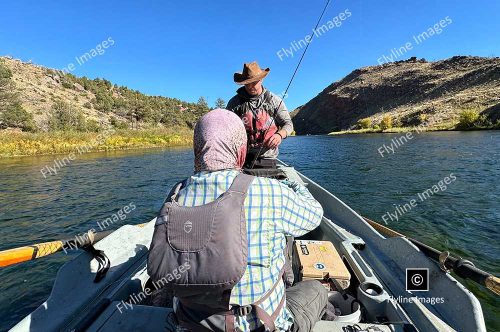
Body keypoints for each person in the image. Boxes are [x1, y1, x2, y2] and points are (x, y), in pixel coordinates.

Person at [147, 109, 327, 332]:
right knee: (316, 290)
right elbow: (314, 215)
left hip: (189, 324)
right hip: (260, 325)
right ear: (242, 152)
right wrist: (294, 185)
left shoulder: (175, 193)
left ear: (196, 151)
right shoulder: (271, 192)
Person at [226, 61, 294, 169]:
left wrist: (279, 135)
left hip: (268, 159)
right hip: (242, 158)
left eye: (254, 82)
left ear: (261, 80)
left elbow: (288, 124)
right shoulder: (234, 103)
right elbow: (227, 130)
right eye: (247, 83)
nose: (250, 86)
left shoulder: (274, 100)